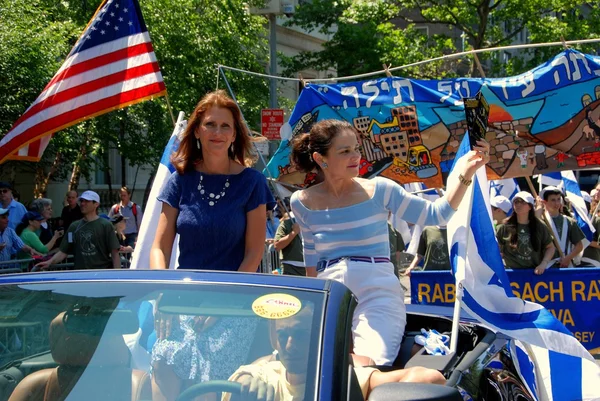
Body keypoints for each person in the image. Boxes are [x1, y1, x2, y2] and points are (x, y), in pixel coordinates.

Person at [289, 119, 490, 365]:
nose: (356, 157)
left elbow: (437, 214)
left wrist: (465, 173)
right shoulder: (300, 201)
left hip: (378, 291)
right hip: (330, 295)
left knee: (370, 364)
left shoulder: (381, 189)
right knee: (319, 368)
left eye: (356, 149)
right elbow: (311, 256)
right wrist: (313, 304)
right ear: (321, 159)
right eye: (345, 151)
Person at [149, 90, 275, 401]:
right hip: (182, 298)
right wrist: (163, 293)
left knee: (207, 381)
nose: (217, 133)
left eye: (225, 126)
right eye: (210, 124)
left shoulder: (252, 183)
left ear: (235, 135)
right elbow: (159, 247)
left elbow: (254, 254)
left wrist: (226, 304)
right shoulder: (179, 179)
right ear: (196, 131)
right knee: (163, 362)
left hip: (235, 300)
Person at [224, 304, 445, 401]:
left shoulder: (344, 381)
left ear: (318, 336)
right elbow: (244, 380)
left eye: (300, 335)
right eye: (283, 335)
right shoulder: (263, 373)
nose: (289, 345)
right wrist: (246, 385)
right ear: (275, 338)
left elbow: (431, 378)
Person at [35, 190, 121, 270]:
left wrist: (118, 277)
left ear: (96, 204)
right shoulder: (74, 226)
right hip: (81, 275)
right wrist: (49, 262)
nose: (83, 204)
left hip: (101, 275)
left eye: (87, 201)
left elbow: (114, 253)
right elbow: (63, 251)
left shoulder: (105, 225)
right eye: (82, 201)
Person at [495, 191, 555, 274]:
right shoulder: (504, 226)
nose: (519, 205)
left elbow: (550, 247)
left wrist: (543, 264)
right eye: (516, 202)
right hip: (511, 274)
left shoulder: (539, 226)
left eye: (523, 202)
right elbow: (495, 249)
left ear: (530, 207)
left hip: (533, 274)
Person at [540, 186, 585, 267]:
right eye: (553, 200)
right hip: (546, 266)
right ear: (544, 202)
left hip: (565, 265)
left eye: (558, 199)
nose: (557, 203)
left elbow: (579, 245)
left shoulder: (569, 221)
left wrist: (568, 258)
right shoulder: (540, 221)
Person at [273, 209, 305, 276]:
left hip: (311, 268)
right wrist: (294, 232)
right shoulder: (287, 223)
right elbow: (277, 245)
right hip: (290, 268)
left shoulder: (314, 223)